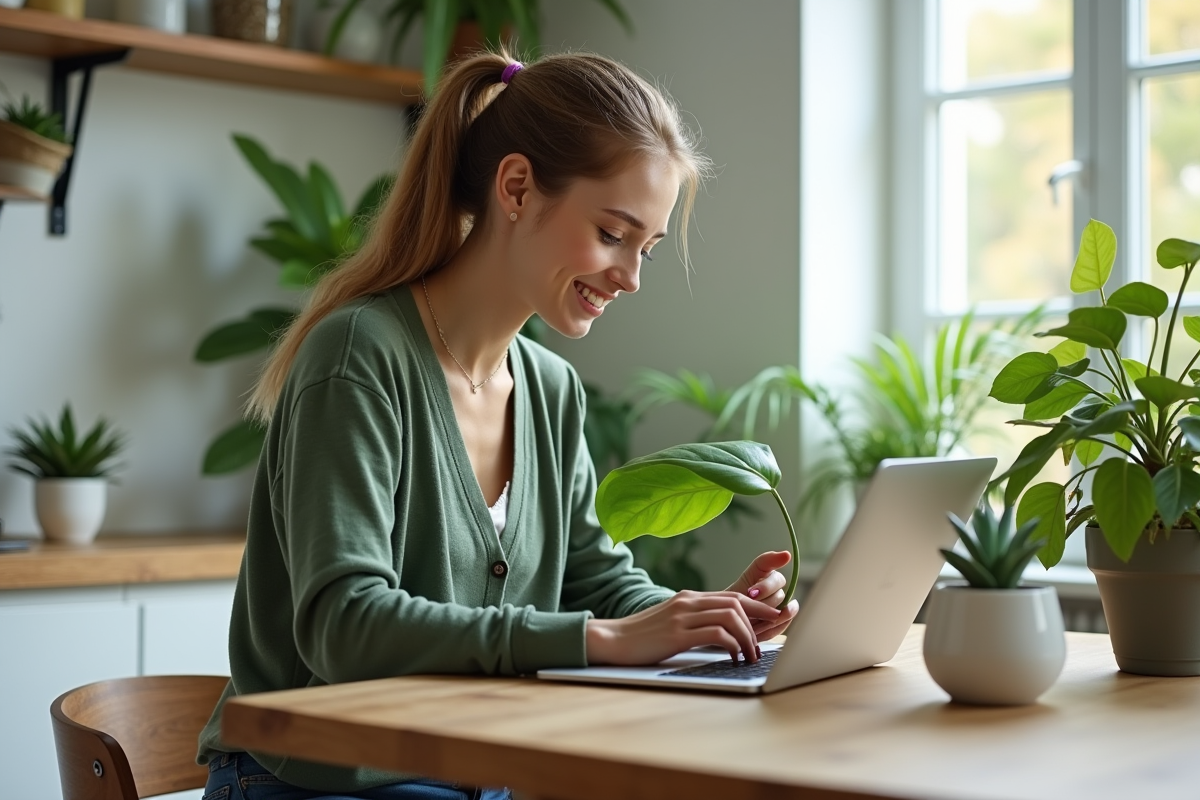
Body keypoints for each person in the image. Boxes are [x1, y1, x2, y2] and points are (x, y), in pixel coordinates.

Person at [196, 48, 800, 800]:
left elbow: (593, 577)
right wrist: (599, 640)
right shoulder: (359, 356)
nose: (631, 277)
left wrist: (699, 620)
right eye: (613, 234)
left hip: (476, 774)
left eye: (644, 247)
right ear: (516, 187)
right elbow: (342, 626)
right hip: (322, 782)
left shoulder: (551, 389)